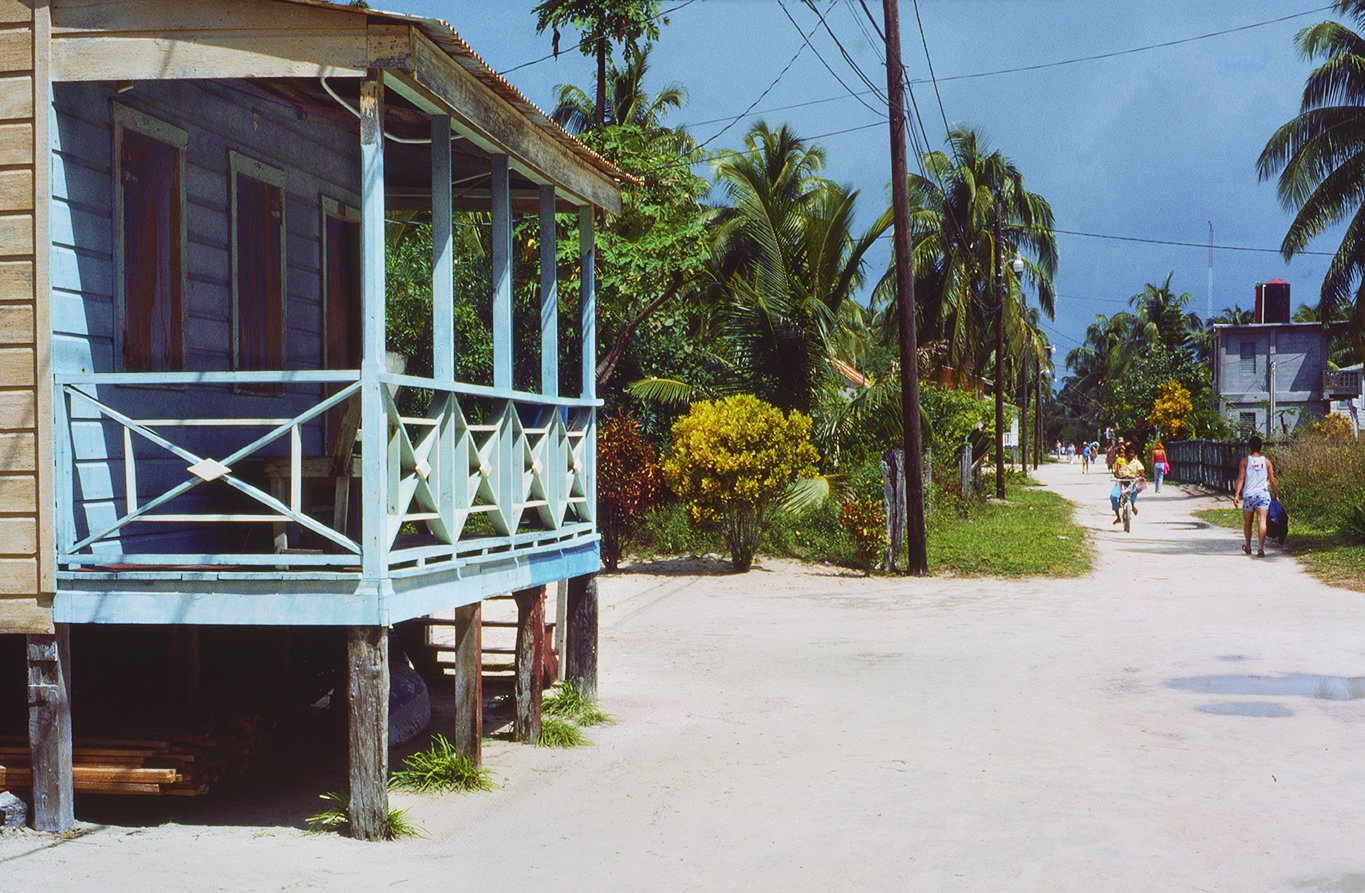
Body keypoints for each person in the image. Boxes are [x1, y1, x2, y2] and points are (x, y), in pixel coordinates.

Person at [1233, 434, 1280, 557]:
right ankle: (1260, 548)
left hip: (1249, 496)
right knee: (1262, 521)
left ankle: (1248, 546)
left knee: (1248, 522)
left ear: (1249, 447)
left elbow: (1240, 479)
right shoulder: (1267, 462)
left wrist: (1237, 495)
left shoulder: (1245, 461)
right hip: (1263, 495)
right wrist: (1276, 493)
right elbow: (1272, 480)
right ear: (1261, 447)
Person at [1110, 442, 1144, 524]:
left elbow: (1141, 469)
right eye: (1129, 452)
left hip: (1131, 483)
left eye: (1132, 453)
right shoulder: (1121, 461)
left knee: (1134, 492)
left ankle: (1132, 505)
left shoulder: (1136, 462)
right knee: (1113, 496)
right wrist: (1116, 474)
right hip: (1121, 482)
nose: (1130, 454)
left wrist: (1142, 474)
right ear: (1126, 453)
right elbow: (1117, 470)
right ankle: (1118, 517)